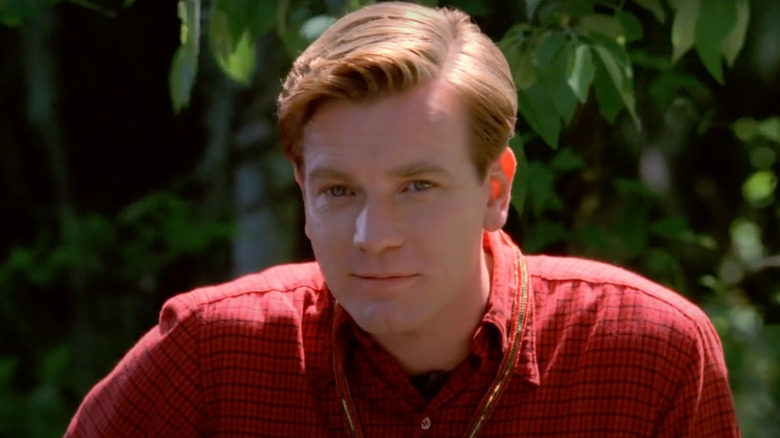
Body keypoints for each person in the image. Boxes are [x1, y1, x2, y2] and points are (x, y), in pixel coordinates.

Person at [65, 2, 739, 437]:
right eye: (338, 191)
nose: (373, 236)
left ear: (495, 190)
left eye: (417, 186)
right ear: (302, 193)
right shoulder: (211, 353)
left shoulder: (648, 353)